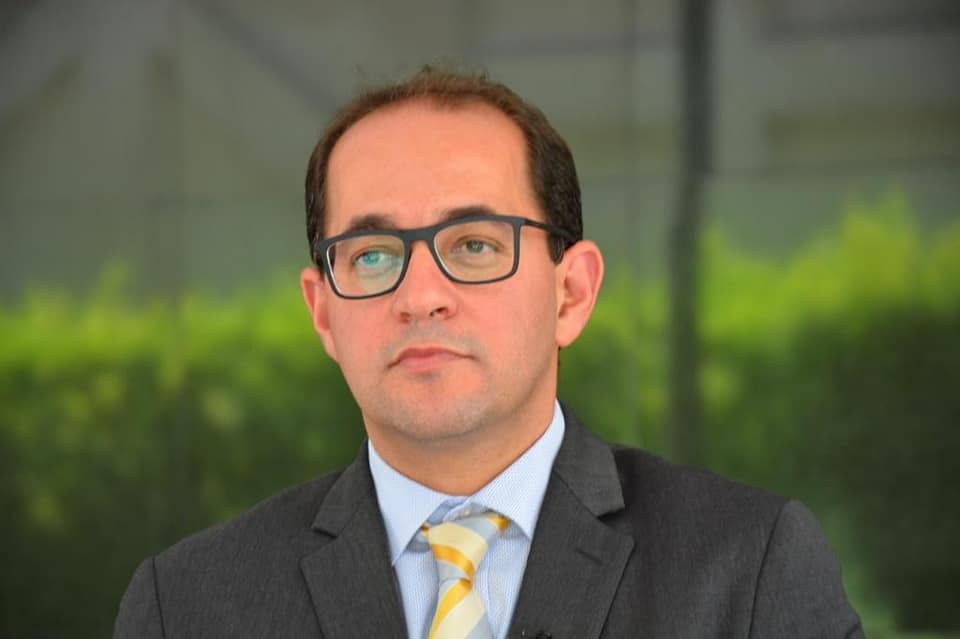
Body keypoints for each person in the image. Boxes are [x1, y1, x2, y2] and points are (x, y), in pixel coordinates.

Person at [114, 67, 863, 638]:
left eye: (473, 245)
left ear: (571, 293)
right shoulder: (187, 606)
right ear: (323, 312)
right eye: (372, 255)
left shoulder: (749, 569)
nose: (420, 295)